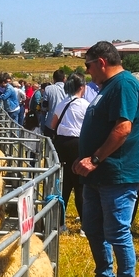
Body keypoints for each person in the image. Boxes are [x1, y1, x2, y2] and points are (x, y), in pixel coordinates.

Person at [73, 41, 139, 277]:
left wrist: (94, 158)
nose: (88, 71)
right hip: (100, 174)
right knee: (94, 228)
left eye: (88, 65)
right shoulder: (107, 88)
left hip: (118, 172)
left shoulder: (123, 85)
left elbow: (123, 127)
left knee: (117, 231)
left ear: (101, 62)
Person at [49, 72, 89, 233]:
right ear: (82, 87)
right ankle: (85, 226)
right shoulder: (85, 105)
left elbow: (52, 125)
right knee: (80, 185)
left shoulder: (62, 104)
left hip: (61, 144)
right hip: (78, 144)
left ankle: (59, 224)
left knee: (63, 185)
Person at [41, 69, 66, 138]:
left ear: (54, 79)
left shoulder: (48, 89)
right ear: (64, 79)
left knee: (49, 145)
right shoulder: (69, 89)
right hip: (64, 123)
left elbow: (44, 106)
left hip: (50, 121)